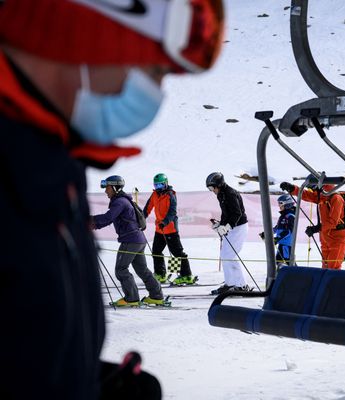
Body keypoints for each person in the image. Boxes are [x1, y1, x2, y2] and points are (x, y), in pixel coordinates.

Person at [0, 0, 223, 397]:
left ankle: (152, 293)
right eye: (154, 71)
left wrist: (87, 381)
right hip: (139, 237)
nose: (156, 93)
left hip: (136, 237)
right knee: (130, 270)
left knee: (131, 269)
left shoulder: (52, 162)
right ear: (90, 38)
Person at [92, 176, 165, 306]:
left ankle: (131, 299)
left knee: (121, 269)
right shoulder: (124, 201)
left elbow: (108, 218)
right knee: (142, 270)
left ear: (115, 187)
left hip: (130, 240)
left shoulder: (120, 202)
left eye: (107, 188)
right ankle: (156, 295)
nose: (105, 191)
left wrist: (90, 221)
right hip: (137, 240)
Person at [280, 181, 345, 269]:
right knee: (325, 267)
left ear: (321, 187)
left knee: (333, 267)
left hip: (337, 238)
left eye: (313, 188)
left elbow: (333, 221)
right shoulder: (322, 197)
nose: (313, 191)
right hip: (325, 237)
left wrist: (316, 228)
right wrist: (292, 188)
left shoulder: (336, 198)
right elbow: (306, 195)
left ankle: (335, 283)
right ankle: (326, 282)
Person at [143, 173, 197, 285]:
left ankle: (186, 275)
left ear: (166, 184)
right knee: (156, 251)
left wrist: (165, 222)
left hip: (170, 228)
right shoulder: (154, 195)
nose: (158, 188)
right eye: (156, 185)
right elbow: (148, 208)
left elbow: (172, 212)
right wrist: (142, 218)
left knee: (177, 252)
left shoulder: (170, 195)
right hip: (159, 229)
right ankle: (160, 274)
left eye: (160, 185)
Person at [207, 172, 250, 294]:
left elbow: (237, 213)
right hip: (233, 227)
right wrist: (220, 224)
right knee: (225, 255)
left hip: (239, 227)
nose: (212, 191)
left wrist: (227, 227)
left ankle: (241, 285)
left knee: (230, 255)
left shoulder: (230, 194)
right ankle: (230, 283)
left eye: (211, 188)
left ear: (218, 185)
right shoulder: (221, 194)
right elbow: (226, 213)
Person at [260, 194, 297, 267]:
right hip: (282, 243)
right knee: (278, 261)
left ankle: (299, 277)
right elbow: (277, 228)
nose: (279, 206)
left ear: (287, 204)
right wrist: (267, 233)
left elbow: (288, 231)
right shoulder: (283, 216)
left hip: (287, 245)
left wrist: (277, 238)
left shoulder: (290, 216)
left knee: (289, 263)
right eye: (279, 203)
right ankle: (283, 276)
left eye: (281, 203)